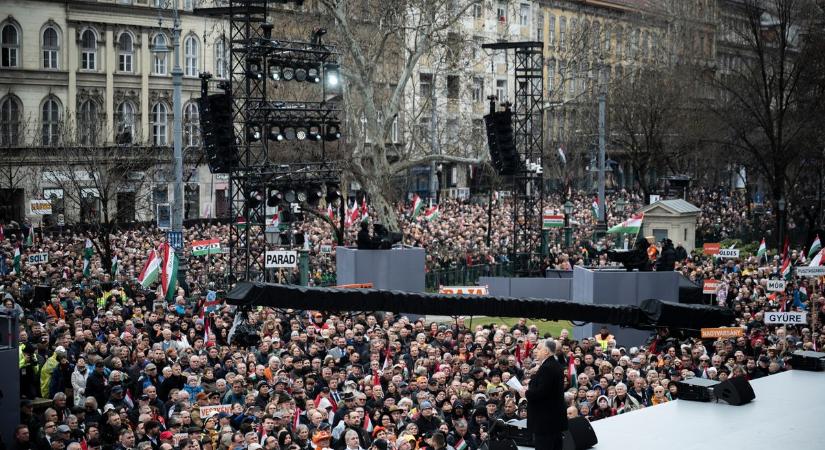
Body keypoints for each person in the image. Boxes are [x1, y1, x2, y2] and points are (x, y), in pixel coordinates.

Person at [525, 340, 567, 450]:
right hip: (554, 419)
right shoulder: (556, 365)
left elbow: (541, 393)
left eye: (539, 349)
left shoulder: (547, 367)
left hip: (545, 421)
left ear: (546, 352)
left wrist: (525, 392)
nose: (535, 351)